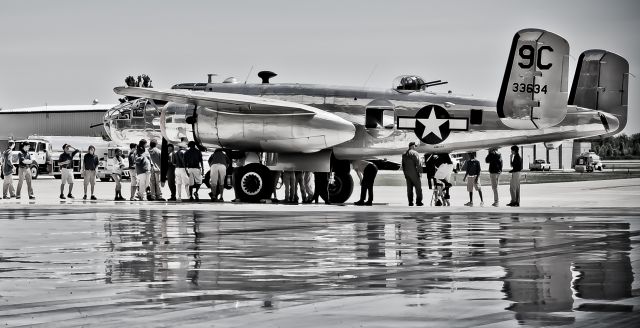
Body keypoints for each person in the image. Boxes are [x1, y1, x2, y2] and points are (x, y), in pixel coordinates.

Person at [401, 142, 423, 206]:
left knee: (409, 189)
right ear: (413, 146)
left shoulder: (404, 154)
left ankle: (410, 202)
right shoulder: (415, 153)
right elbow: (418, 163)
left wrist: (405, 174)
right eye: (415, 146)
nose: (415, 147)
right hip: (414, 173)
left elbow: (403, 165)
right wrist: (420, 172)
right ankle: (418, 202)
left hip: (407, 173)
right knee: (418, 188)